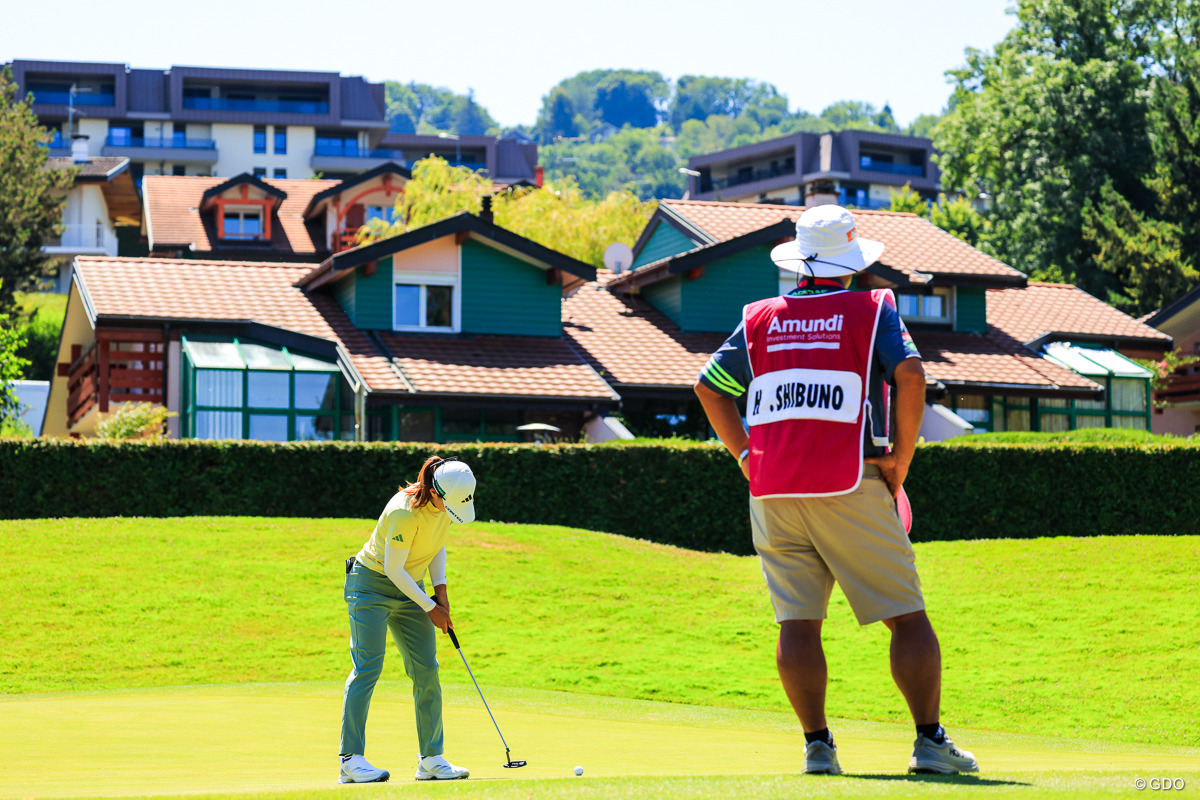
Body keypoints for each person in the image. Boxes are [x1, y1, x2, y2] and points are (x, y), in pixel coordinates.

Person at [693, 205, 978, 776]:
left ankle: (818, 748)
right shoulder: (873, 307)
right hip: (849, 481)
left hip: (772, 489)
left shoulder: (759, 318)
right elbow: (912, 374)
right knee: (907, 615)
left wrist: (747, 455)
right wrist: (902, 458)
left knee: (797, 623)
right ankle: (929, 743)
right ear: (850, 263)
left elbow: (709, 387)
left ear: (800, 262)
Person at [338, 455, 478, 784]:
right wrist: (431, 608)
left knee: (426, 668)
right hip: (371, 585)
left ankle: (431, 758)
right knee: (368, 667)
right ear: (434, 492)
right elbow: (392, 570)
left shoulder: (446, 506)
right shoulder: (404, 512)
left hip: (411, 586)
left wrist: (440, 593)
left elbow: (435, 547)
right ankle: (350, 760)